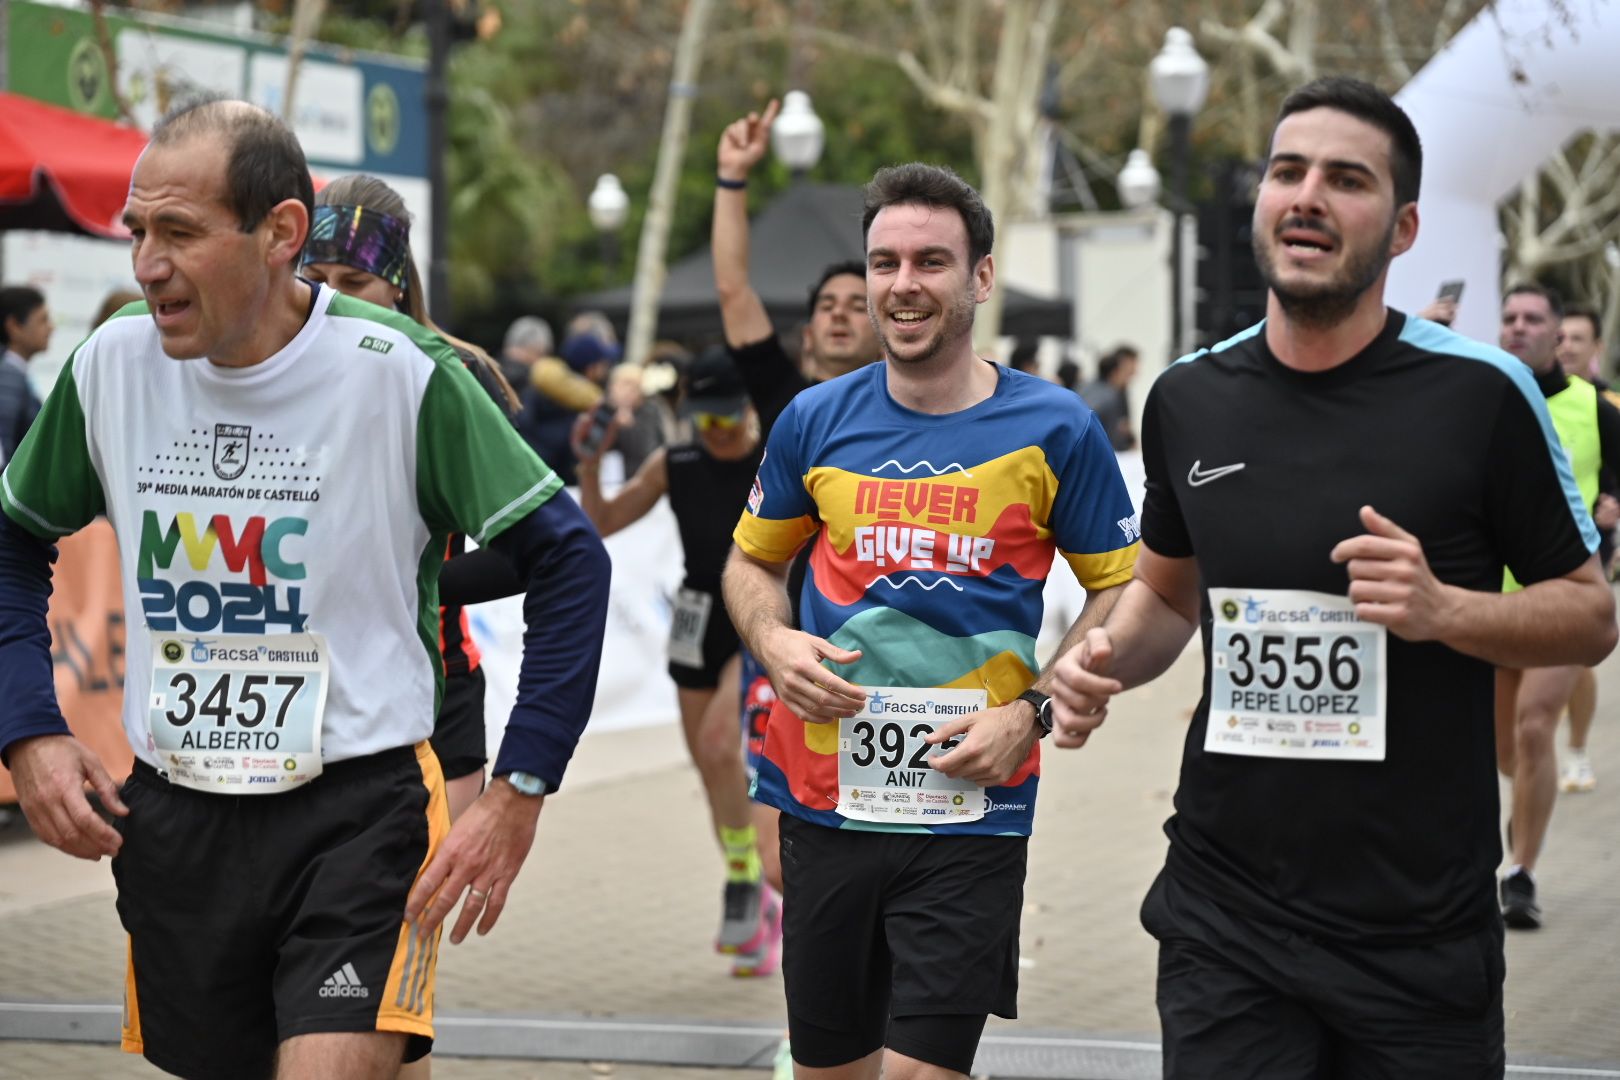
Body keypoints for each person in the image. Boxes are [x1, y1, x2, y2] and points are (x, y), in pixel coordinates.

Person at [0, 96, 611, 1080]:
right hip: (178, 816)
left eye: (181, 233)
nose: (149, 265)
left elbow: (570, 560)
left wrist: (518, 790)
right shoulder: (110, 366)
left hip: (361, 817)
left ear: (282, 231)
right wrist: (29, 730)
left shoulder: (403, 374)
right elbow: (12, 542)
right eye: (138, 233)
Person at [1049, 77, 1616, 1077]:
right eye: (1287, 171)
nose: (1307, 194)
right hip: (1226, 914)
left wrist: (1444, 610)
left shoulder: (1482, 396)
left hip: (1419, 931)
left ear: (1401, 229)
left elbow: (1589, 614)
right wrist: (1097, 659)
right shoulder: (1189, 399)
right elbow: (1170, 595)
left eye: (1345, 179)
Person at [724, 162, 1138, 1078]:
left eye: (931, 261)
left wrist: (1033, 710)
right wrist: (773, 637)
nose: (903, 284)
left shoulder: (1057, 427)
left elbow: (1123, 585)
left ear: (979, 278)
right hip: (825, 801)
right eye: (884, 263)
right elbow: (753, 559)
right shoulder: (813, 419)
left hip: (972, 807)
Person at [575, 345, 783, 976]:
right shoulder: (677, 462)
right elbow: (602, 521)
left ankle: (752, 879)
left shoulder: (773, 457)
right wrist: (589, 464)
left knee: (723, 742)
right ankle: (754, 889)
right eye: (704, 419)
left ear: (747, 408)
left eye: (726, 418)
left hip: (755, 610)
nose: (715, 432)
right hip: (697, 617)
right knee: (707, 764)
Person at [1493, 283, 1620, 928]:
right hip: (1486, 603)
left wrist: (1614, 509)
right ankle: (1524, 805)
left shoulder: (1596, 411)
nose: (1519, 327)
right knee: (1506, 752)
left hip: (1562, 599)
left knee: (1535, 725)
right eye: (1509, 317)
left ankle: (1521, 872)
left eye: (1533, 318)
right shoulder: (1478, 398)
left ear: (1558, 334)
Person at [1555, 303, 1616, 791]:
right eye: (1562, 336)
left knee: (1572, 657)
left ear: (1596, 348)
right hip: (1519, 557)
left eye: (1578, 338)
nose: (1567, 346)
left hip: (1586, 550)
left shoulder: (1603, 405)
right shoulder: (1518, 394)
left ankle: (1575, 751)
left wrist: (1613, 501)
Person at [0, 284, 52, 463]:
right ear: (14, 326)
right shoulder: (8, 377)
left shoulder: (16, 374)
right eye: (42, 320)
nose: (51, 328)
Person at [1079, 344, 1139, 452]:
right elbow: (1113, 438)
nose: (1134, 373)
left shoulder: (1083, 387)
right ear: (1115, 372)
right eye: (1127, 370)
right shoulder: (1111, 396)